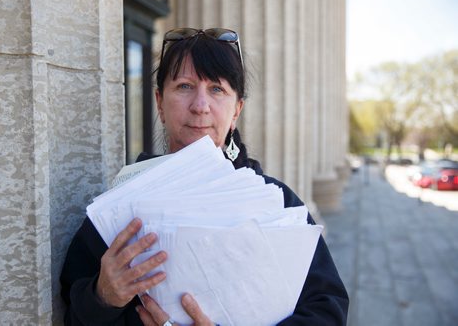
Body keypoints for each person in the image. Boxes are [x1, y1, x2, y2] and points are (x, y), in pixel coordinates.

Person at [60, 27, 349, 326]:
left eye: (217, 89)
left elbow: (327, 310)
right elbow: (72, 313)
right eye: (184, 86)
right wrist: (101, 298)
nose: (200, 106)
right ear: (160, 102)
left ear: (237, 110)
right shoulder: (118, 211)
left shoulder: (277, 202)